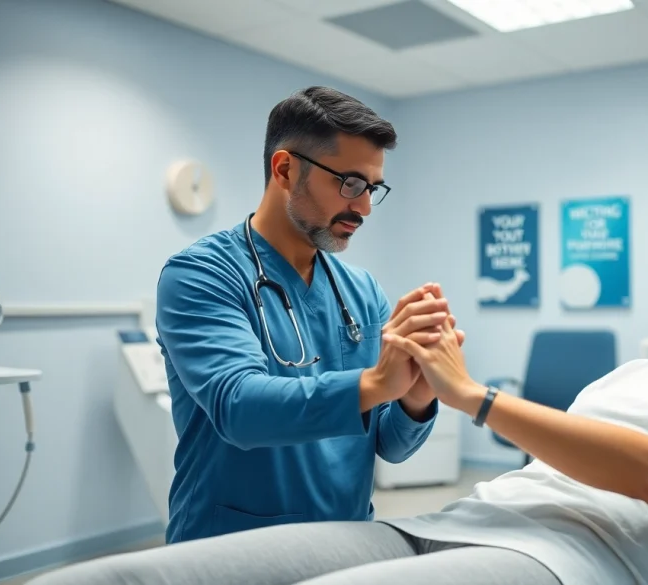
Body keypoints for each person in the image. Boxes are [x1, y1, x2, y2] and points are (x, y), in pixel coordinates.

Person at [28, 179, 648, 585]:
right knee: (122, 577)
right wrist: (420, 382)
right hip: (458, 519)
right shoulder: (640, 370)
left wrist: (471, 394)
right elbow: (547, 464)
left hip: (585, 559)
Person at [150, 86, 464, 544]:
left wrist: (415, 395)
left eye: (372, 188)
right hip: (232, 548)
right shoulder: (201, 275)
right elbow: (240, 408)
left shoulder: (362, 291)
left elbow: (391, 446)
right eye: (350, 183)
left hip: (347, 543)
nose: (363, 207)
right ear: (285, 170)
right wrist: (376, 383)